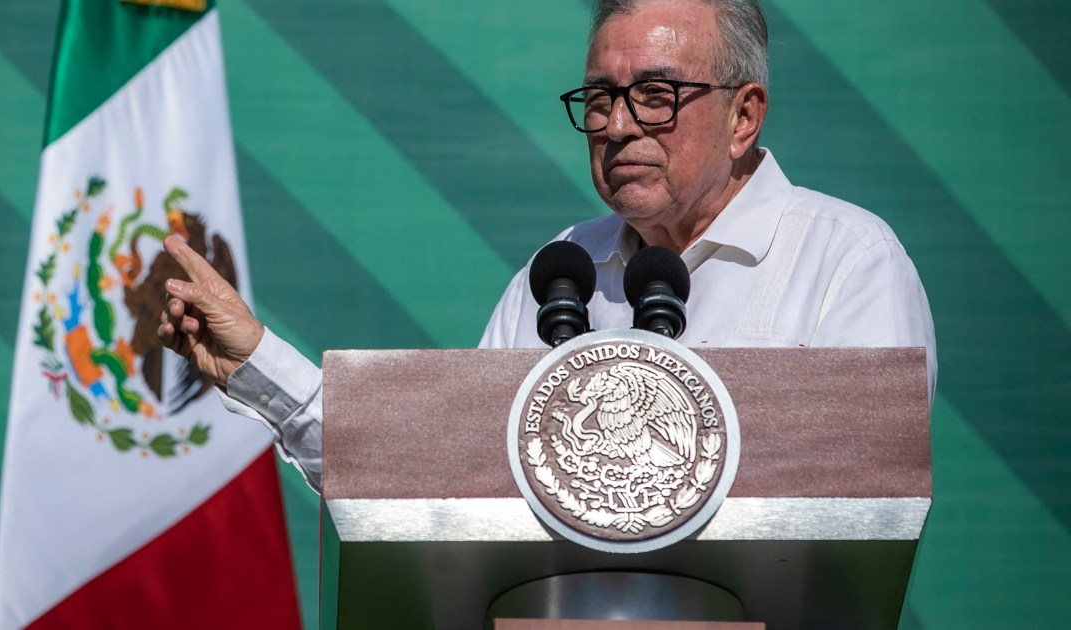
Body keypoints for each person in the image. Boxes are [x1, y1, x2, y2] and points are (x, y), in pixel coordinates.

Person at [158, 0, 937, 494]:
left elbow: (863, 502)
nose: (618, 126)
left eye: (656, 95)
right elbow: (438, 480)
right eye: (600, 98)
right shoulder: (562, 270)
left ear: (744, 116)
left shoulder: (846, 262)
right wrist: (256, 361)